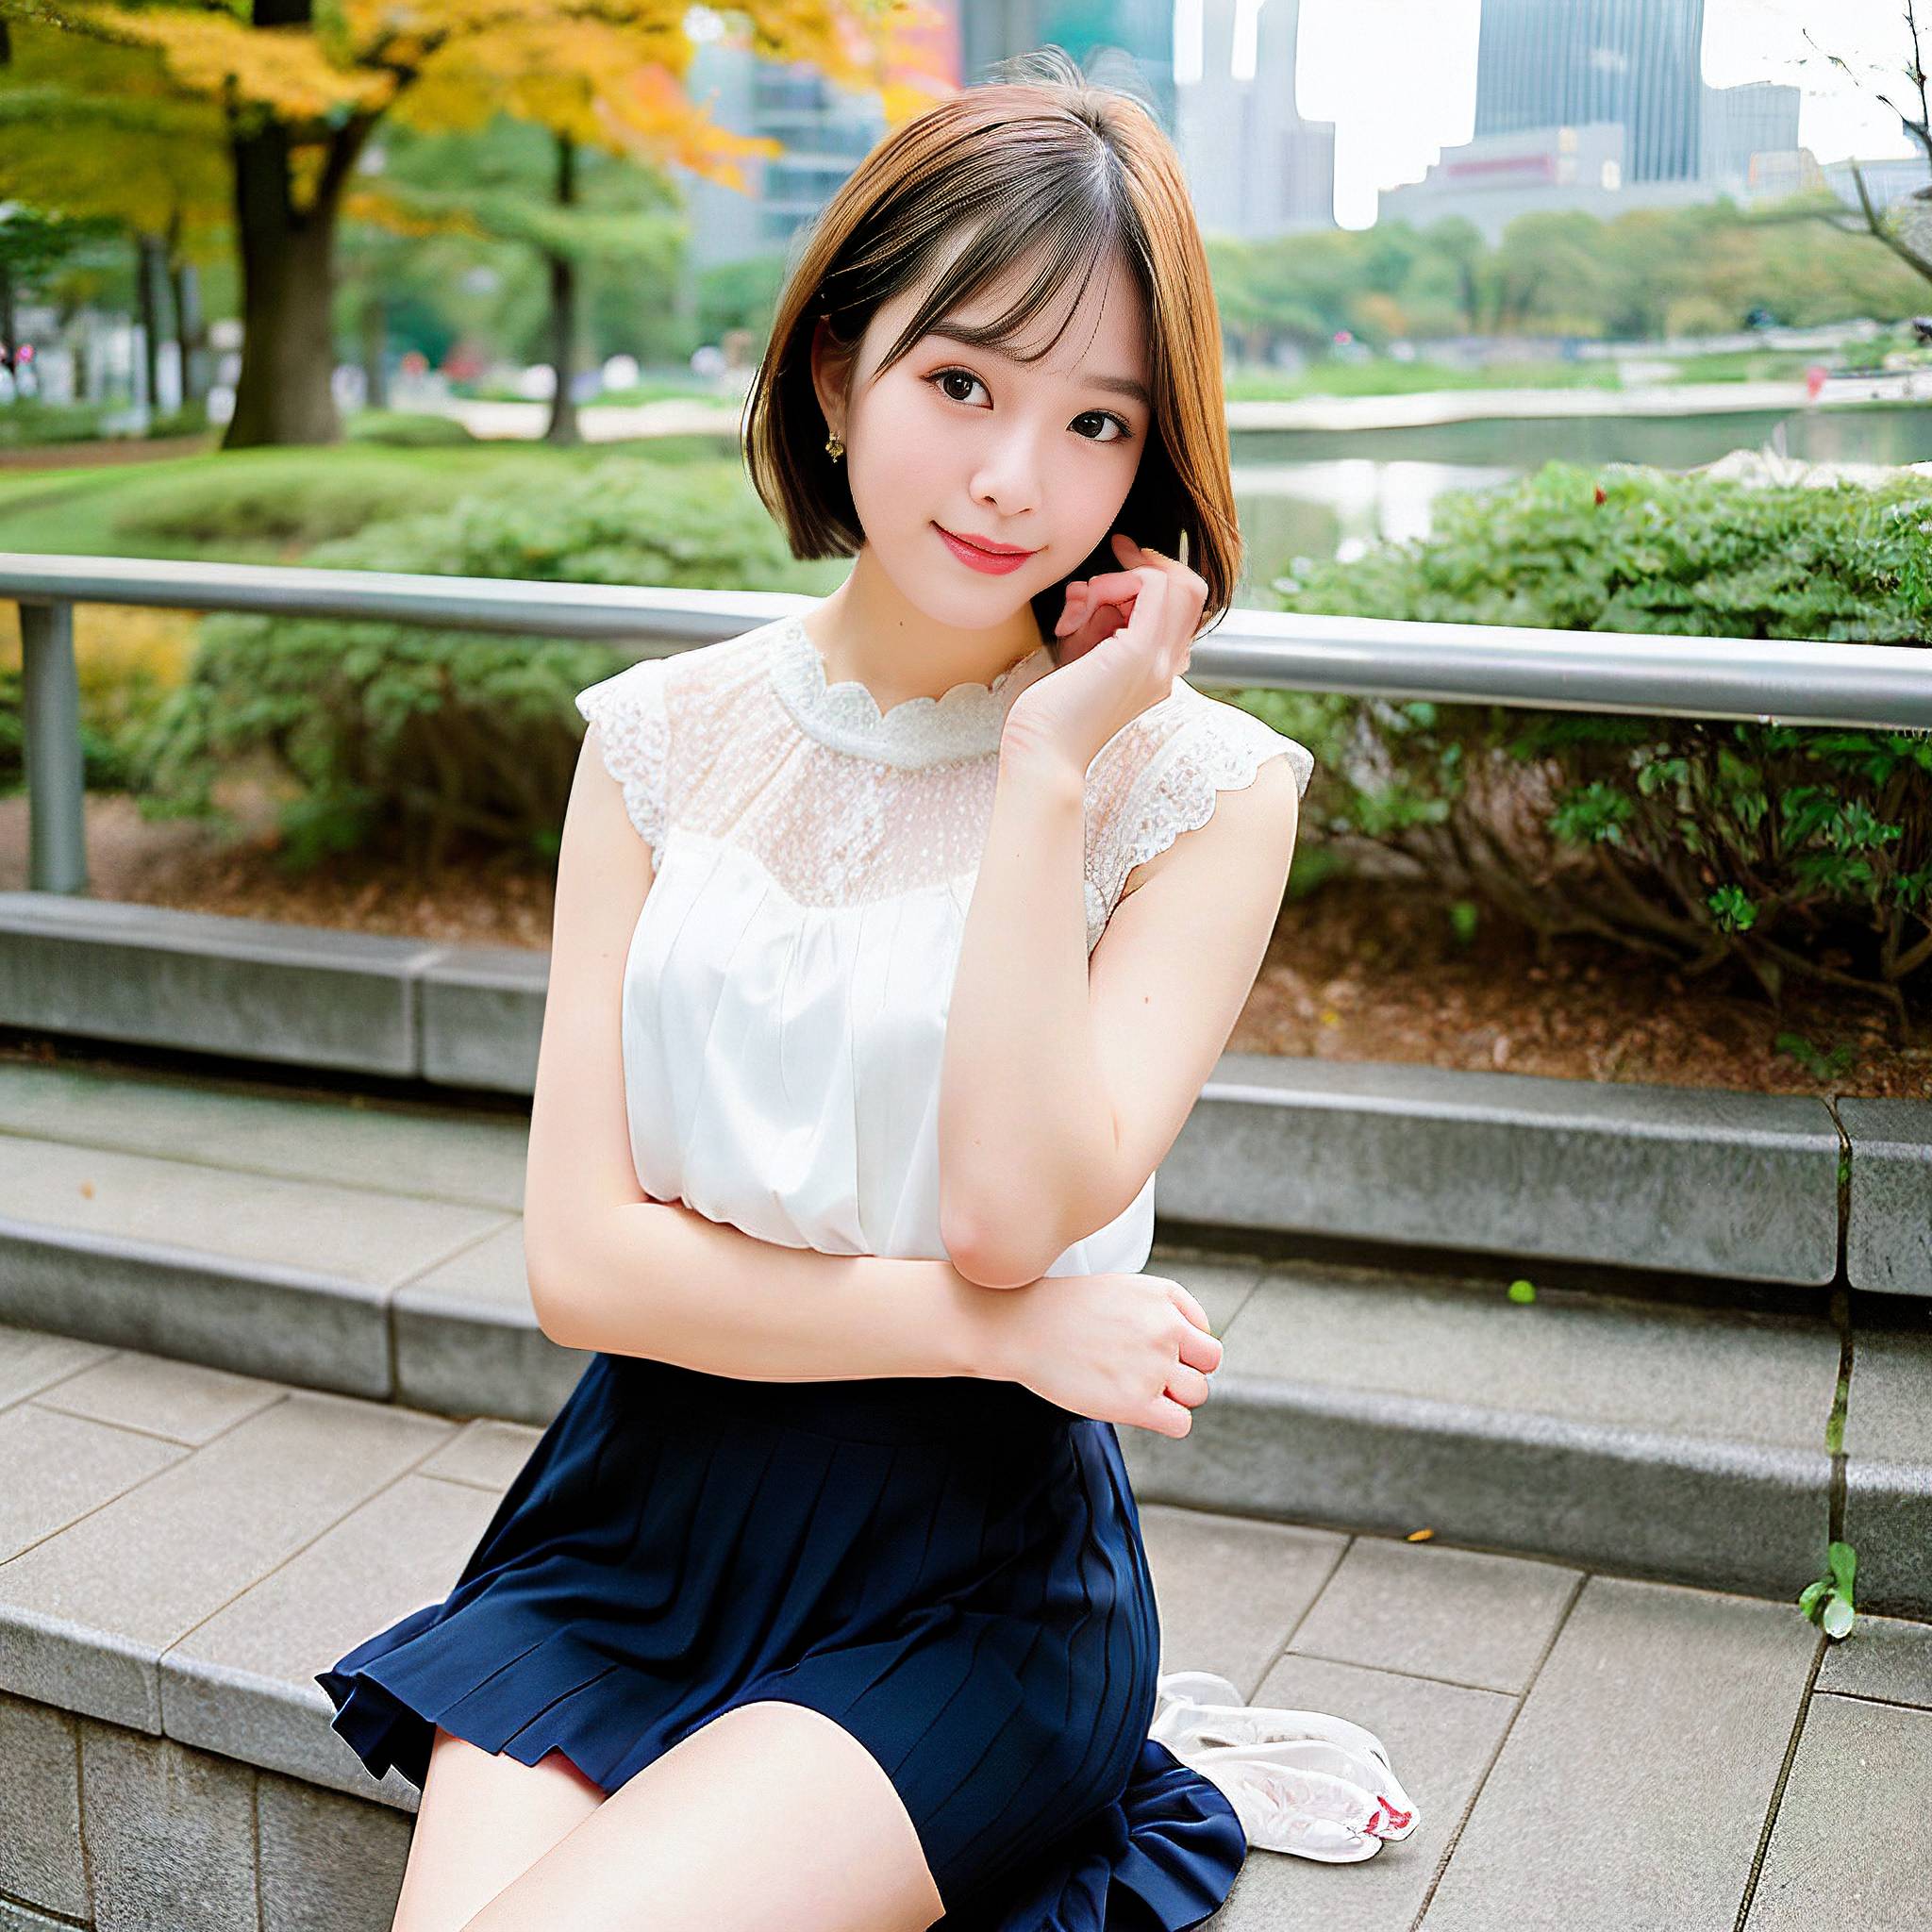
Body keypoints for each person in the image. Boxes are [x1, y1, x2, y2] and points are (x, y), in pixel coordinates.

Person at [317, 47, 1417, 1932]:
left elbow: (1011, 1209)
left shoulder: (1199, 796)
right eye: (962, 382)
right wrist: (1001, 1331)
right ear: (839, 372)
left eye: (1095, 423)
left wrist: (1047, 767)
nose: (1015, 477)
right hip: (632, 1519)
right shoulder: (656, 741)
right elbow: (582, 1263)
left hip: (970, 1580)